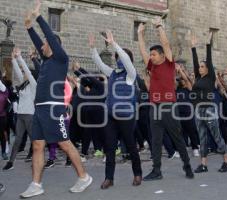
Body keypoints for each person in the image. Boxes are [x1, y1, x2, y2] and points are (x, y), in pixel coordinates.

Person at [20, 0, 92, 198]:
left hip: (54, 109)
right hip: (40, 109)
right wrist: (28, 26)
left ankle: (83, 177)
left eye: (45, 43)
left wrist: (39, 16)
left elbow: (49, 37)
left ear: (52, 45)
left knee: (64, 144)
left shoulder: (61, 59)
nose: (41, 46)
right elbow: (38, 41)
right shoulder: (46, 61)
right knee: (37, 145)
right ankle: (36, 184)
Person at [138, 17, 194, 181]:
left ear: (162, 55)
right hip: (154, 107)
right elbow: (142, 51)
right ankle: (157, 171)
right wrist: (140, 34)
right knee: (156, 140)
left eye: (154, 54)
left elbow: (167, 45)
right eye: (151, 54)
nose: (151, 57)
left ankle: (187, 165)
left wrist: (159, 27)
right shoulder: (152, 66)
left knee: (177, 138)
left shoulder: (169, 64)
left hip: (168, 106)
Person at [89, 30, 142, 189]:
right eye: (116, 57)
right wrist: (92, 49)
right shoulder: (112, 73)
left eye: (120, 58)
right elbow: (99, 64)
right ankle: (109, 178)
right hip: (111, 116)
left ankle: (137, 174)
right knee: (110, 147)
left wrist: (114, 45)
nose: (118, 59)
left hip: (126, 116)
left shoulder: (131, 74)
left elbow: (125, 59)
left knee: (131, 146)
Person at [189, 31, 227, 173]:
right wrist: (193, 47)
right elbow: (194, 63)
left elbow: (209, 59)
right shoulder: (199, 78)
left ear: (207, 68)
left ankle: (226, 160)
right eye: (199, 67)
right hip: (198, 110)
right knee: (202, 137)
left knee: (216, 136)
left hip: (209, 109)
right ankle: (204, 164)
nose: (199, 68)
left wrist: (207, 44)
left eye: (202, 66)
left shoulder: (210, 76)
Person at [3, 47, 36, 171]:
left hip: (29, 116)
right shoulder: (23, 85)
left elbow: (26, 71)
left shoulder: (33, 85)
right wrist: (13, 59)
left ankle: (36, 160)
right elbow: (18, 72)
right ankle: (11, 162)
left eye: (25, 73)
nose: (23, 74)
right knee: (17, 139)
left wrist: (20, 58)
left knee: (35, 140)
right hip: (21, 115)